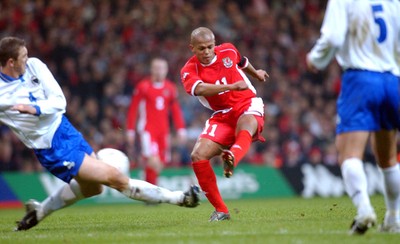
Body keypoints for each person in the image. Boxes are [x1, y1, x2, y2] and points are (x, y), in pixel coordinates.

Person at [0, 36, 200, 231]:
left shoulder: (35, 65)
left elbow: (59, 102)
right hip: (52, 147)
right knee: (116, 178)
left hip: (64, 128)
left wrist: (35, 108)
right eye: (23, 57)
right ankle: (181, 198)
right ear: (11, 62)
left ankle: (40, 211)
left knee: (94, 188)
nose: (28, 58)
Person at [306, 0, 400, 234]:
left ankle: (365, 209)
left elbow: (334, 37)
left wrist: (316, 59)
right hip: (392, 80)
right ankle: (393, 218)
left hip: (361, 80)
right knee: (388, 158)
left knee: (349, 154)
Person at [180, 27, 269, 221]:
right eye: (201, 48)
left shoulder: (228, 50)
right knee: (198, 155)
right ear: (192, 48)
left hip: (247, 103)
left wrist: (257, 74)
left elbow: (242, 62)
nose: (206, 52)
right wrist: (230, 86)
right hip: (221, 115)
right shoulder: (189, 70)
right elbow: (200, 88)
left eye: (210, 47)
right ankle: (221, 210)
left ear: (215, 44)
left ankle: (232, 156)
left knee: (246, 123)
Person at [126, 58, 187, 186]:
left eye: (162, 68)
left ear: (166, 70)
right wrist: (130, 130)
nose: (159, 71)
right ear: (152, 70)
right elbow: (133, 109)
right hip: (147, 129)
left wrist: (181, 129)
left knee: (161, 162)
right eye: (156, 68)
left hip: (163, 131)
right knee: (154, 159)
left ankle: (149, 188)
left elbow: (175, 110)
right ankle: (152, 191)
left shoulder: (170, 88)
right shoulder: (143, 87)